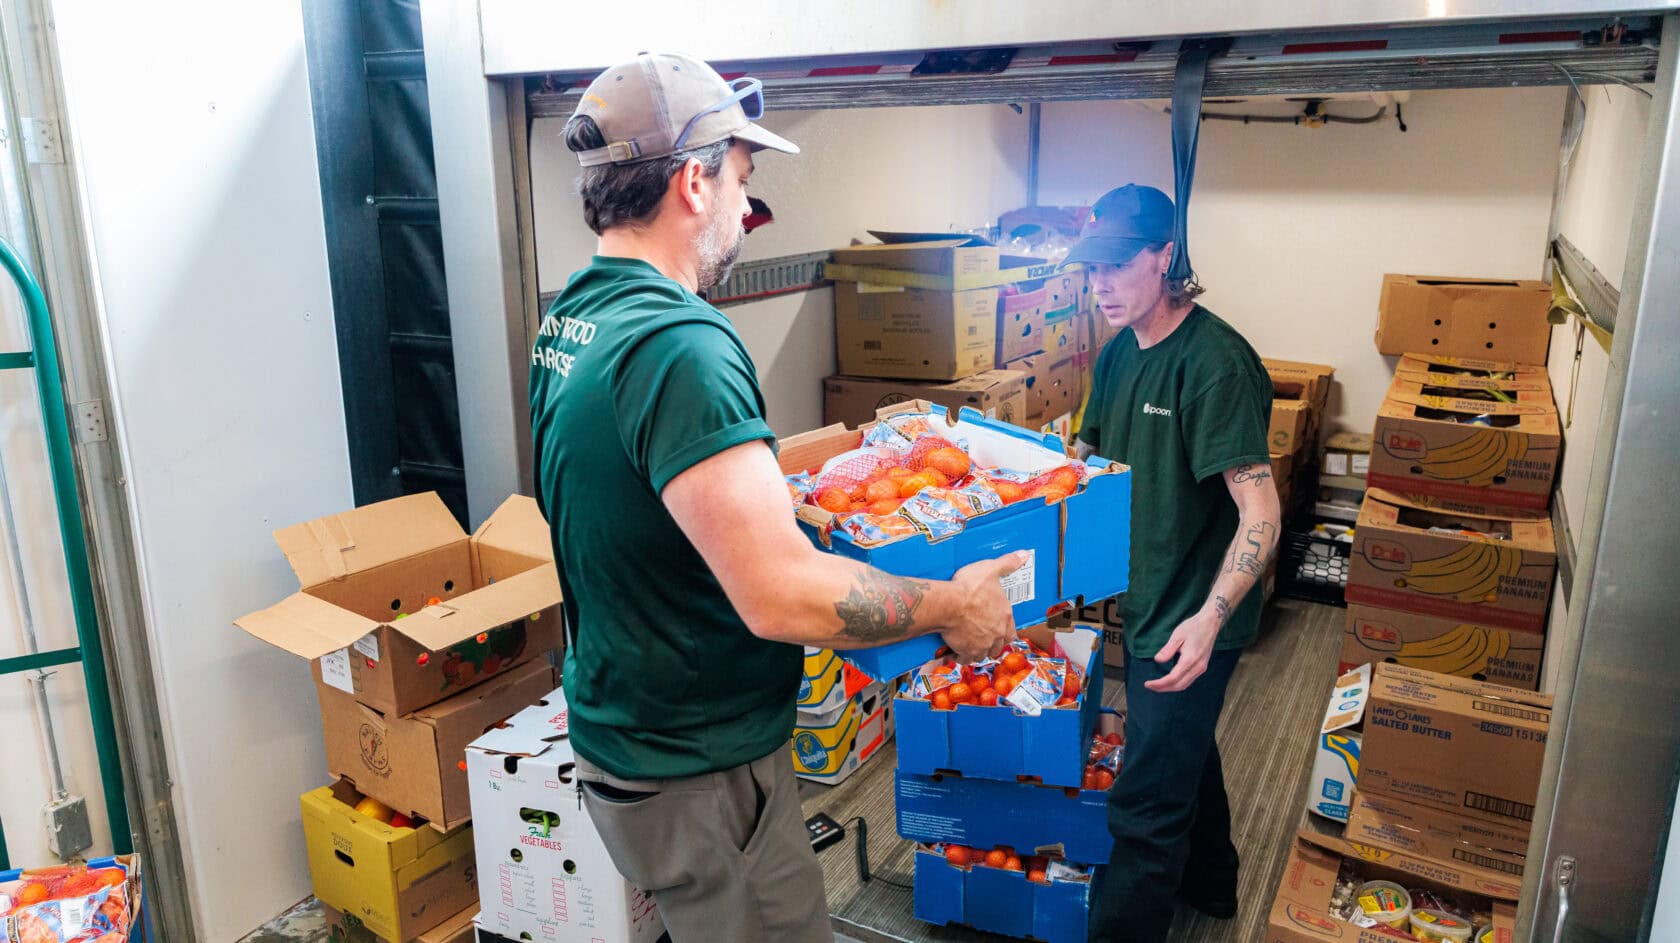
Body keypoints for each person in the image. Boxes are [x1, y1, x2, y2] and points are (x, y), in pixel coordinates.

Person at [528, 53, 1024, 943]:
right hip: (699, 765)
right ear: (692, 181)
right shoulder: (683, 345)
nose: (744, 218)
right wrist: (955, 604)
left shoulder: (575, 318)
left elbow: (633, 504)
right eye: (741, 181)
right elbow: (783, 595)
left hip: (629, 731)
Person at [1067, 185, 1282, 942]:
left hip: (1197, 610)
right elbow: (1086, 455)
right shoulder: (1119, 352)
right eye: (1091, 268)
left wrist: (1210, 618)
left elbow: (1261, 512)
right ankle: (1212, 883)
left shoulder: (1216, 365)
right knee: (1178, 738)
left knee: (1144, 800)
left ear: (1165, 257)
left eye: (1119, 265)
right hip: (1147, 591)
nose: (1101, 285)